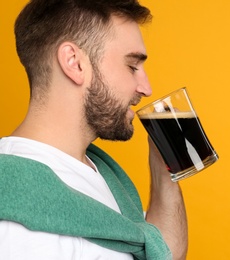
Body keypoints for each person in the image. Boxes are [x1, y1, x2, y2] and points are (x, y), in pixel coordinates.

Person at [0, 0, 188, 259]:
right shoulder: (16, 217)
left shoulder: (100, 172)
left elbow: (160, 251)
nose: (146, 88)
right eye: (132, 66)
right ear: (75, 63)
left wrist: (165, 171)